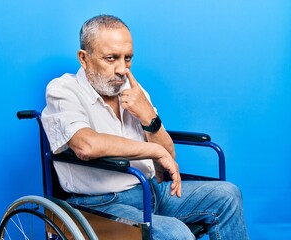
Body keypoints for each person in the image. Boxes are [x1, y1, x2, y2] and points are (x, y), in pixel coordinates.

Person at [41, 14, 248, 240]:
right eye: (111, 58)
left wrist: (148, 116)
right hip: (101, 203)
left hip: (152, 192)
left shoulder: (134, 91)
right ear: (84, 58)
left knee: (228, 194)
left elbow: (168, 157)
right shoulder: (63, 89)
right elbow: (85, 145)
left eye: (127, 58)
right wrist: (154, 150)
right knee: (175, 233)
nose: (122, 69)